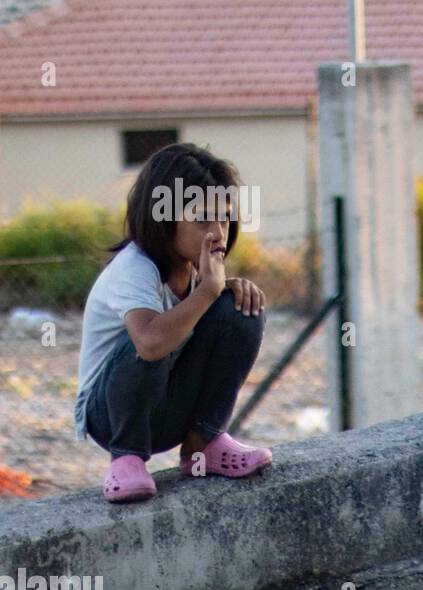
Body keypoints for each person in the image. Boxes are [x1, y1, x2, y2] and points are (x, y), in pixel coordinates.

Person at [74, 142, 273, 503]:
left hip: (166, 408)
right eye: (201, 219)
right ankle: (127, 458)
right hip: (111, 414)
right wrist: (209, 291)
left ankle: (203, 444)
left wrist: (218, 293)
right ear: (163, 219)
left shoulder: (196, 271)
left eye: (224, 216)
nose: (217, 232)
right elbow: (149, 343)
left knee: (241, 309)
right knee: (154, 335)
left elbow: (206, 320)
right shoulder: (134, 269)